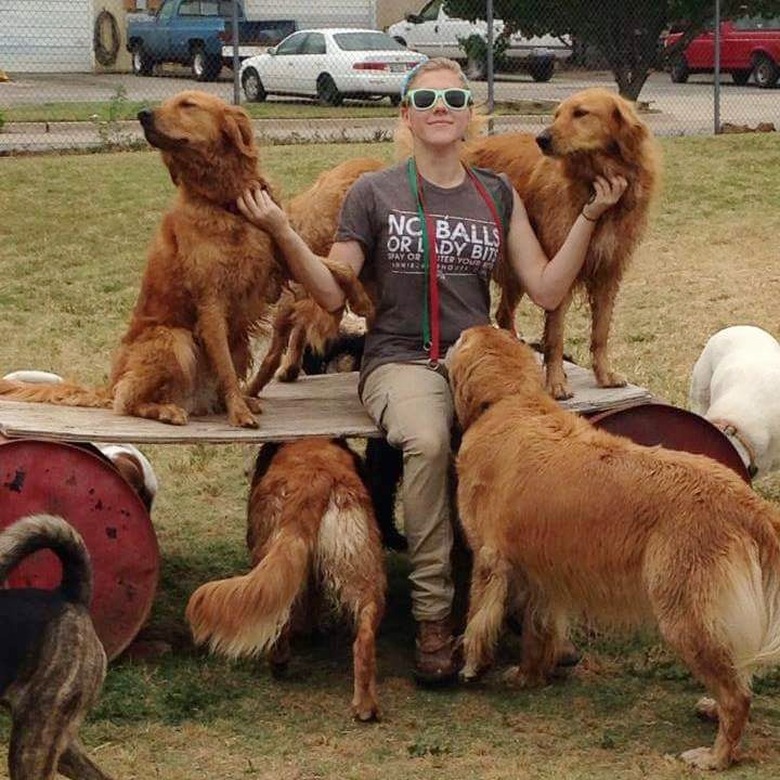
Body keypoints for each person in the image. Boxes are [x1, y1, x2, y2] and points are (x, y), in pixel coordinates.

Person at [237, 58, 628, 685]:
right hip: (401, 356)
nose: (441, 106)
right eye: (426, 99)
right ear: (407, 115)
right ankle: (434, 617)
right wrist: (285, 232)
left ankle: (527, 612)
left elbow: (549, 290)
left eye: (454, 96)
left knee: (537, 444)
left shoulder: (496, 194)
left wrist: (589, 217)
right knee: (429, 440)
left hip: (480, 358)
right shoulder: (375, 193)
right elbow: (334, 294)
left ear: (469, 112)